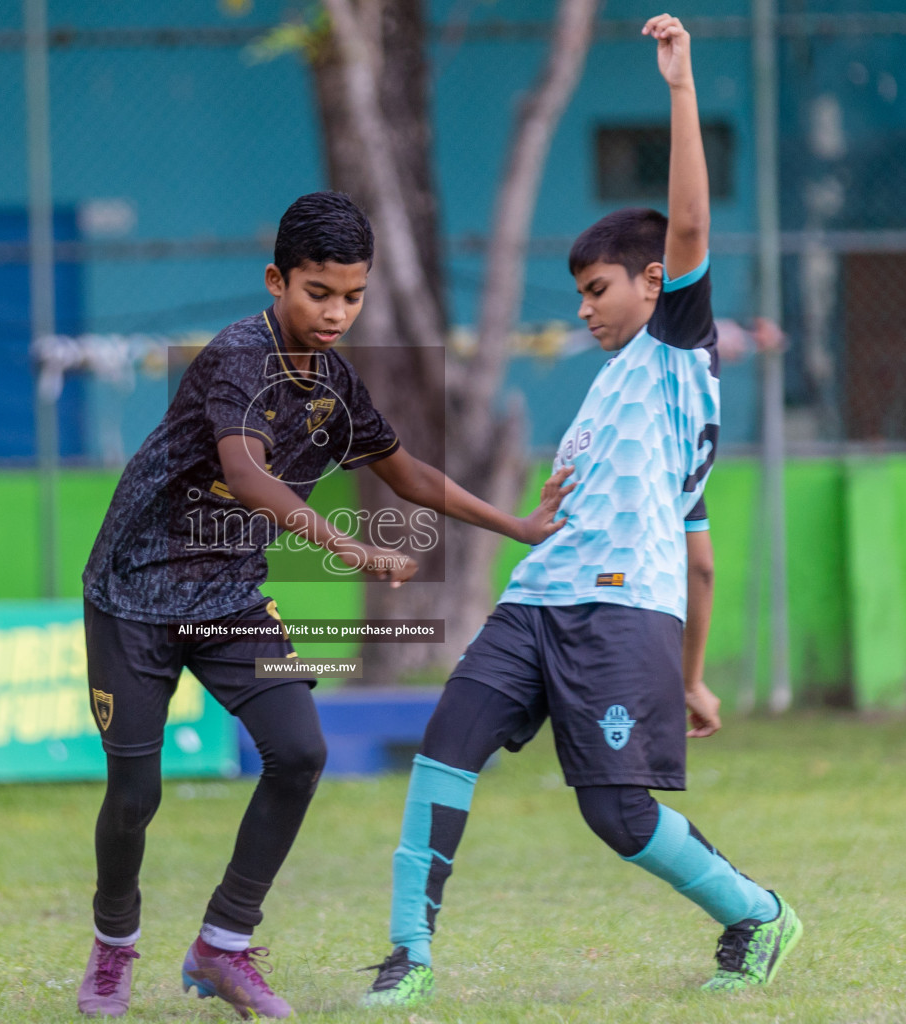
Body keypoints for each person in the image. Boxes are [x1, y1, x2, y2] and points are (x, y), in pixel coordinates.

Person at [357, 16, 802, 1007]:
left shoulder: (676, 348)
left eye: (597, 288)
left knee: (616, 814)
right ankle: (406, 952)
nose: (585, 308)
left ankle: (754, 913)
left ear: (655, 283)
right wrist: (691, 680)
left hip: (614, 614)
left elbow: (686, 225)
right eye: (577, 293)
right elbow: (698, 553)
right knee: (446, 743)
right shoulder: (616, 393)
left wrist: (680, 88)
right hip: (538, 599)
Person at [75, 190, 574, 1018]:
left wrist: (515, 524)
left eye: (353, 295)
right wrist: (343, 545)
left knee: (300, 752)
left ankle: (222, 947)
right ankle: (113, 946)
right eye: (319, 292)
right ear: (277, 280)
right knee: (134, 797)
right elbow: (246, 474)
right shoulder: (238, 357)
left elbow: (404, 471)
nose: (337, 311)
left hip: (228, 597)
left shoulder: (332, 382)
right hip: (132, 594)